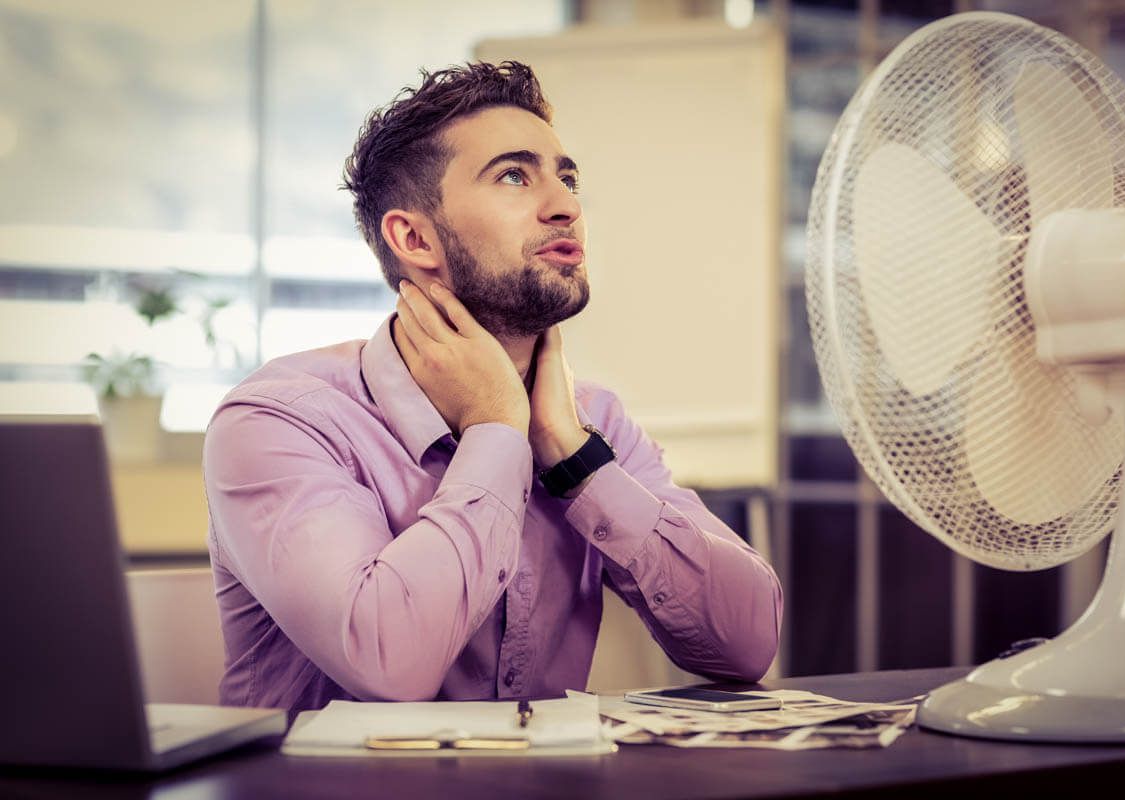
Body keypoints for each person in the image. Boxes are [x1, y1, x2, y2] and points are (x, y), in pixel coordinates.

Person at [203, 61, 783, 712]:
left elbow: (749, 641)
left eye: (567, 178)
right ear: (414, 237)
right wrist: (497, 431)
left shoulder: (590, 422)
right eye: (514, 175)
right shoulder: (278, 421)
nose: (566, 205)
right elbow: (388, 663)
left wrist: (575, 459)